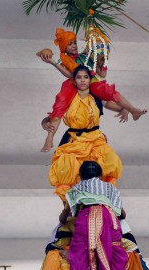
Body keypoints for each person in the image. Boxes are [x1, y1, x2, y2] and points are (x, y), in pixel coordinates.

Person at [37, 27, 147, 152]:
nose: (74, 46)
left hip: (92, 90)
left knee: (107, 92)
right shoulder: (66, 61)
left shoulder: (86, 56)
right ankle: (49, 138)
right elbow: (69, 75)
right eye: (70, 44)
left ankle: (131, 109)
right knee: (60, 104)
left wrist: (99, 51)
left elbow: (101, 69)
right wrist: (52, 61)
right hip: (73, 91)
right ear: (64, 48)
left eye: (74, 43)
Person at [48, 65, 123, 203]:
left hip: (95, 138)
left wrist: (125, 109)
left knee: (108, 163)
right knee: (68, 169)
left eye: (85, 77)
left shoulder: (96, 97)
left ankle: (104, 201)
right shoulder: (68, 97)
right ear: (74, 80)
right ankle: (70, 206)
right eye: (79, 77)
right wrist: (50, 138)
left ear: (90, 79)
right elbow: (56, 116)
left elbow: (113, 103)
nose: (82, 80)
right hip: (74, 140)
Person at [63, 160, 129, 270]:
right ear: (101, 175)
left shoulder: (77, 187)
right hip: (109, 219)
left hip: (86, 218)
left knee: (80, 253)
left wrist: (63, 218)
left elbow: (65, 214)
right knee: (114, 251)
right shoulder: (111, 188)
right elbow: (122, 214)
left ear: (80, 176)